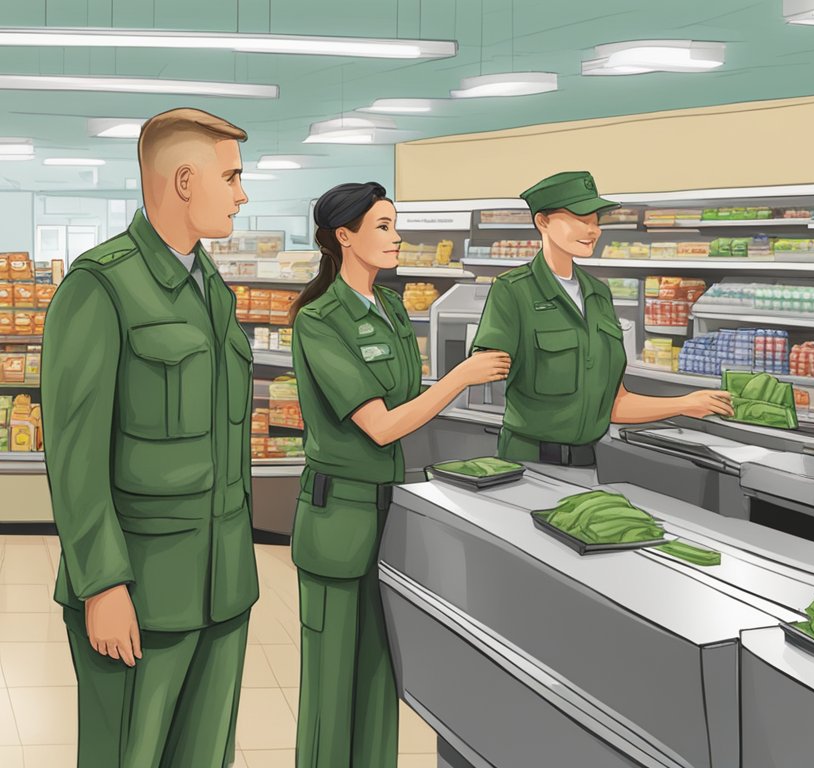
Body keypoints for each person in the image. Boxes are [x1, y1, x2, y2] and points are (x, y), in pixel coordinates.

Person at [41, 108, 258, 767]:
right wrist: (102, 585)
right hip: (140, 595)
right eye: (232, 177)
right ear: (185, 182)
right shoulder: (101, 287)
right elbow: (74, 456)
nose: (242, 194)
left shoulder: (212, 288)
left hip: (221, 590)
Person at [287, 182, 511, 767]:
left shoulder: (388, 308)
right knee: (332, 688)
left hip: (392, 514)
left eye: (394, 225)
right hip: (339, 522)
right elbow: (382, 426)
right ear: (344, 236)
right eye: (383, 227)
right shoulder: (318, 319)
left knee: (381, 682)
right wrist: (460, 377)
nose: (397, 237)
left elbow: (412, 399)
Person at [472, 171, 732, 466]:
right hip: (527, 460)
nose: (593, 230)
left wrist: (685, 404)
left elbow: (614, 404)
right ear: (542, 222)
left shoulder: (599, 295)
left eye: (596, 221)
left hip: (589, 461)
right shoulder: (513, 291)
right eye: (581, 219)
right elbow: (484, 370)